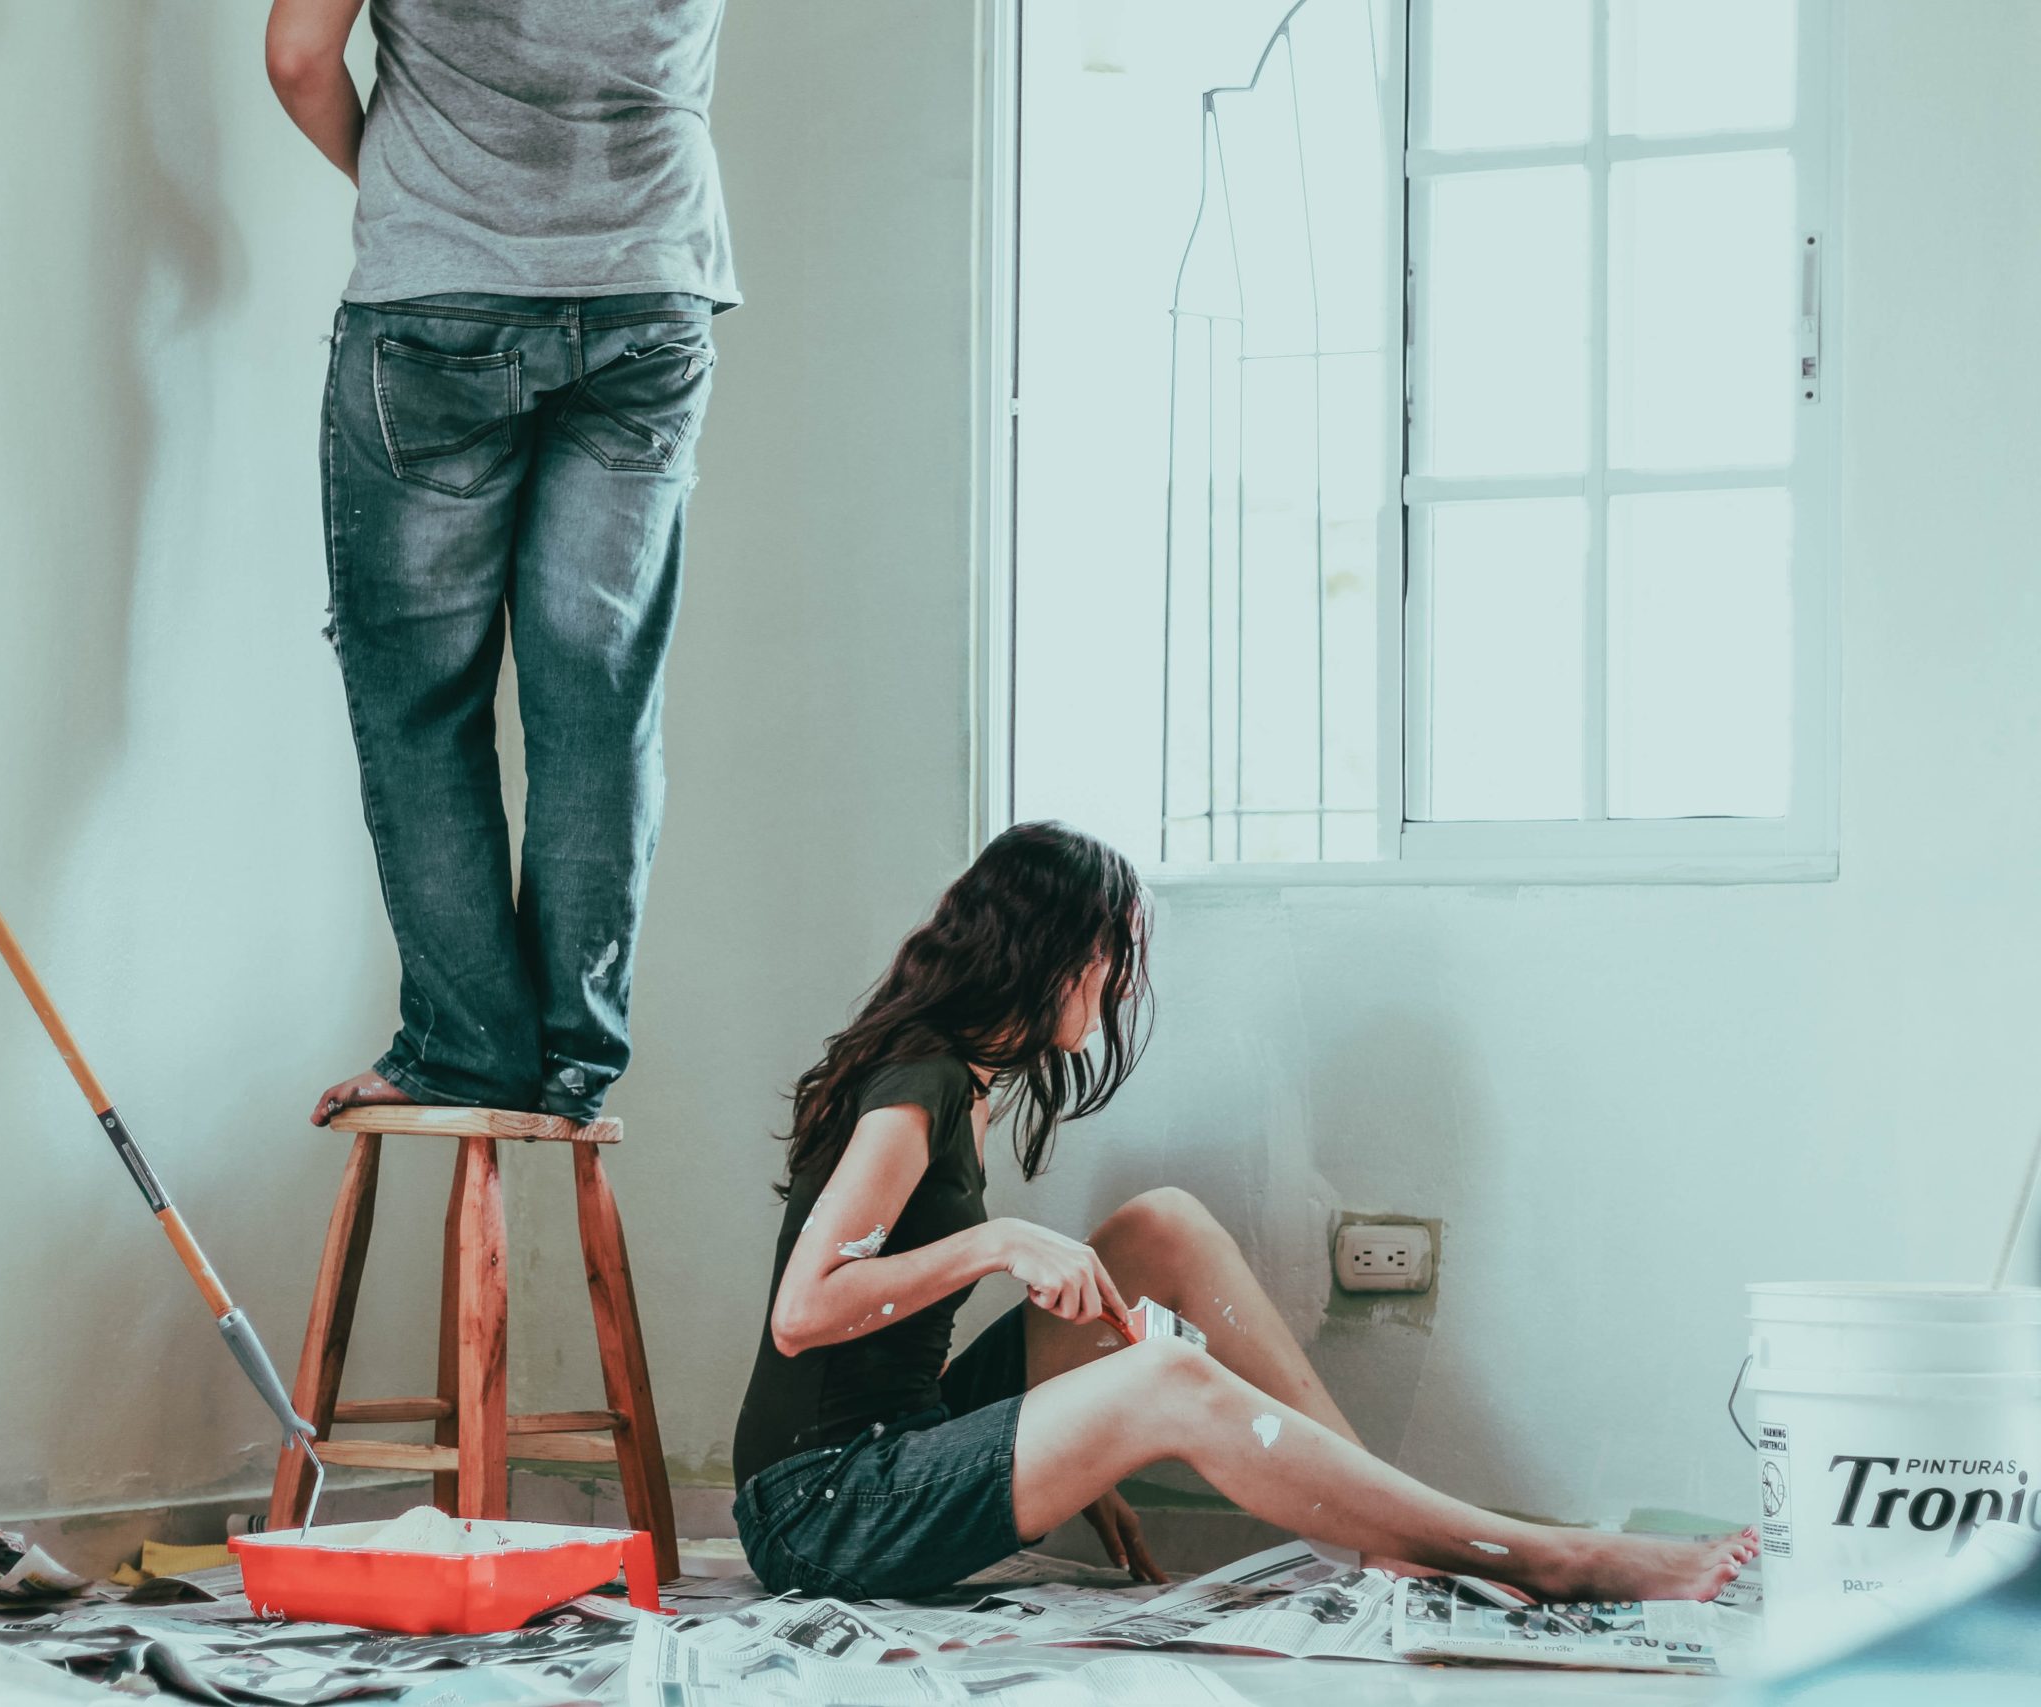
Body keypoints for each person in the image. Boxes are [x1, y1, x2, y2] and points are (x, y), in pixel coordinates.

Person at [731, 821, 1761, 1602]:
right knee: (1165, 1375)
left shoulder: (967, 1080)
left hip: (902, 1437)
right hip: (822, 1505)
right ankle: (1551, 1554)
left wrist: (1057, 1447)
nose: (1117, 987)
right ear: (1063, 956)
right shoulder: (920, 1088)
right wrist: (996, 1242)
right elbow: (804, 1314)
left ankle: (1379, 1524)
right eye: (1112, 958)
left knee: (1160, 1227)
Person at [264, 0, 736, 1123]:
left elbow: (296, 57)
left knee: (423, 706)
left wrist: (403, 191)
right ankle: (574, 1057)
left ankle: (467, 1051)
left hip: (437, 300)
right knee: (598, 701)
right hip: (650, 292)